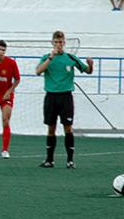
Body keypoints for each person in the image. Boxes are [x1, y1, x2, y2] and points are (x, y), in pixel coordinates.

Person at [36, 31, 93, 169]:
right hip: (51, 96)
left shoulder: (70, 58)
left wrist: (90, 65)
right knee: (51, 128)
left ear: (64, 43)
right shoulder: (46, 58)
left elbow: (87, 71)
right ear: (52, 43)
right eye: (56, 42)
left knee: (68, 128)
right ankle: (50, 160)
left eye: (61, 42)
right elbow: (38, 71)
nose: (58, 45)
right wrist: (51, 57)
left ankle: (70, 160)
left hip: (66, 97)